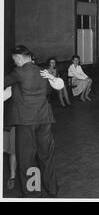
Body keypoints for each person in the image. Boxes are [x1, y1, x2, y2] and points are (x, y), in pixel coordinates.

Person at [4, 45, 60, 197]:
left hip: (26, 121)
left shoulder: (18, 71)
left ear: (19, 57)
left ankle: (33, 194)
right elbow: (49, 91)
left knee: (26, 159)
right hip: (44, 119)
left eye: (14, 59)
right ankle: (52, 189)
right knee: (46, 156)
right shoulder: (43, 71)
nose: (14, 62)